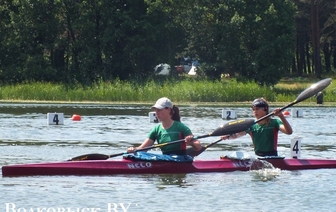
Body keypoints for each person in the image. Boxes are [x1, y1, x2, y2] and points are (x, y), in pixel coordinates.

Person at [127, 97, 202, 155]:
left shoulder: (181, 127)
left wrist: (191, 142)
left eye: (159, 110)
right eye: (155, 110)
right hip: (166, 159)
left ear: (168, 110)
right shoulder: (156, 130)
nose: (156, 113)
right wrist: (134, 149)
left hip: (180, 160)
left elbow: (198, 147)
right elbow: (143, 149)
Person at [221, 98, 293, 157]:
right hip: (258, 157)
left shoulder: (275, 122)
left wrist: (281, 116)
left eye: (257, 109)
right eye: (253, 109)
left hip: (272, 156)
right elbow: (237, 135)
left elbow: (289, 132)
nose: (255, 111)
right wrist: (228, 136)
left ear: (265, 109)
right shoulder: (251, 125)